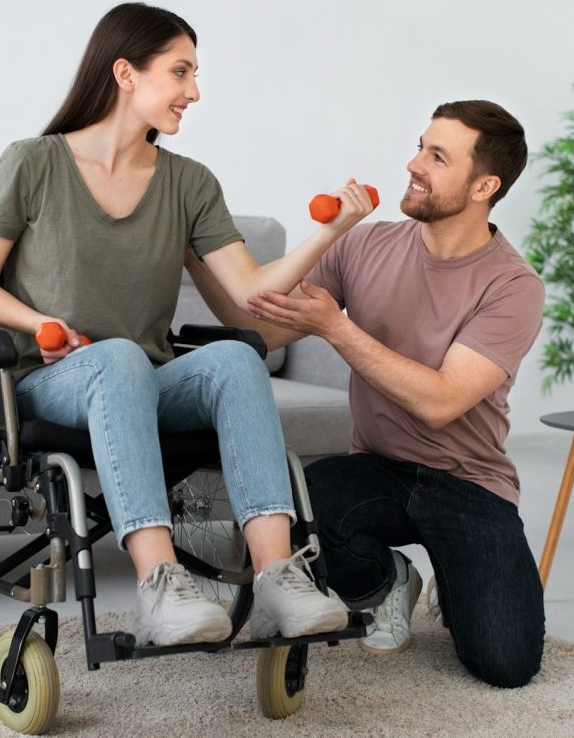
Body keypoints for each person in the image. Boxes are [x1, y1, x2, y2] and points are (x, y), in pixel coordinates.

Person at [0, 2, 376, 647]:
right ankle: (160, 586)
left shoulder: (189, 183)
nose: (194, 92)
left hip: (143, 378)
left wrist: (329, 232)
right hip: (50, 377)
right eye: (181, 73)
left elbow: (248, 296)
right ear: (126, 73)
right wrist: (40, 320)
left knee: (237, 357)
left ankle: (277, 578)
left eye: (195, 75)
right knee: (122, 356)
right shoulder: (33, 162)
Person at [187, 100, 546, 687]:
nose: (414, 164)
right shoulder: (364, 246)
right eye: (420, 146)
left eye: (437, 156)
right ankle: (389, 581)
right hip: (374, 470)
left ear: (485, 185)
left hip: (469, 482)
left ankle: (459, 584)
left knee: (506, 664)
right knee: (295, 508)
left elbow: (440, 401)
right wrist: (198, 255)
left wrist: (336, 326)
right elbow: (268, 327)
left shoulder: (513, 285)